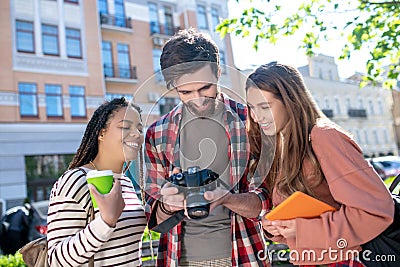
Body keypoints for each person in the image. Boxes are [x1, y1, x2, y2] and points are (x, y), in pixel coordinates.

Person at [245, 62, 394, 266]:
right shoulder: (282, 147)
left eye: (264, 106)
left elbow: (375, 211)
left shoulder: (324, 137)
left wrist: (302, 229)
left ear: (290, 101)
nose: (256, 116)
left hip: (347, 260)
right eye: (251, 108)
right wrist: (278, 228)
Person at [144, 28, 270, 267]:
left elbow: (264, 203)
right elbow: (155, 222)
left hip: (243, 254)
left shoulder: (251, 122)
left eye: (205, 88)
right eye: (186, 92)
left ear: (218, 73)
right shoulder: (157, 135)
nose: (198, 99)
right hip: (179, 259)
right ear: (172, 87)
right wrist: (168, 205)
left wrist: (226, 198)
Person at [47, 97, 147, 266]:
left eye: (139, 128)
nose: (137, 134)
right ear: (101, 133)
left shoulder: (125, 183)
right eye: (124, 127)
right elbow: (56, 260)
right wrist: (105, 222)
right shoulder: (76, 181)